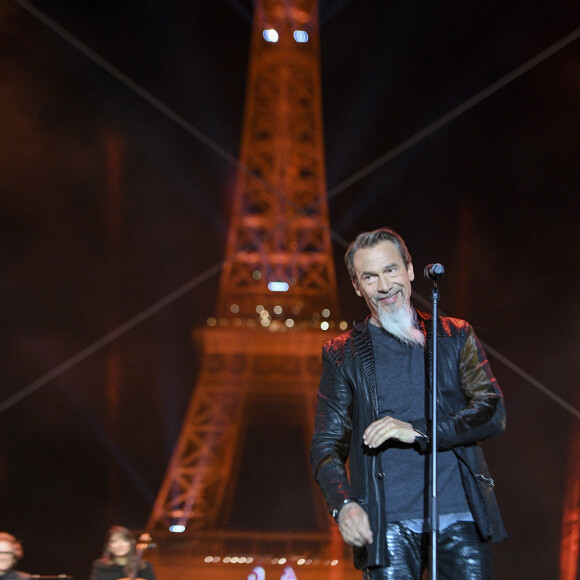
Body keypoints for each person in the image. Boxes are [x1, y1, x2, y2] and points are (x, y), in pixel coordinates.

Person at [310, 227, 507, 579]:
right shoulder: (342, 354)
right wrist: (344, 505)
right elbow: (327, 445)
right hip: (387, 525)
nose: (384, 286)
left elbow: (491, 411)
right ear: (357, 286)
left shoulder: (455, 334)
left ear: (410, 270)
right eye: (369, 277)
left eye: (391, 270)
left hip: (459, 516)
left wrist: (416, 430)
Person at [90, 526, 157, 580]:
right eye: (114, 541)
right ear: (108, 546)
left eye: (124, 540)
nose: (120, 545)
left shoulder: (144, 566)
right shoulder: (100, 566)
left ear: (131, 543)